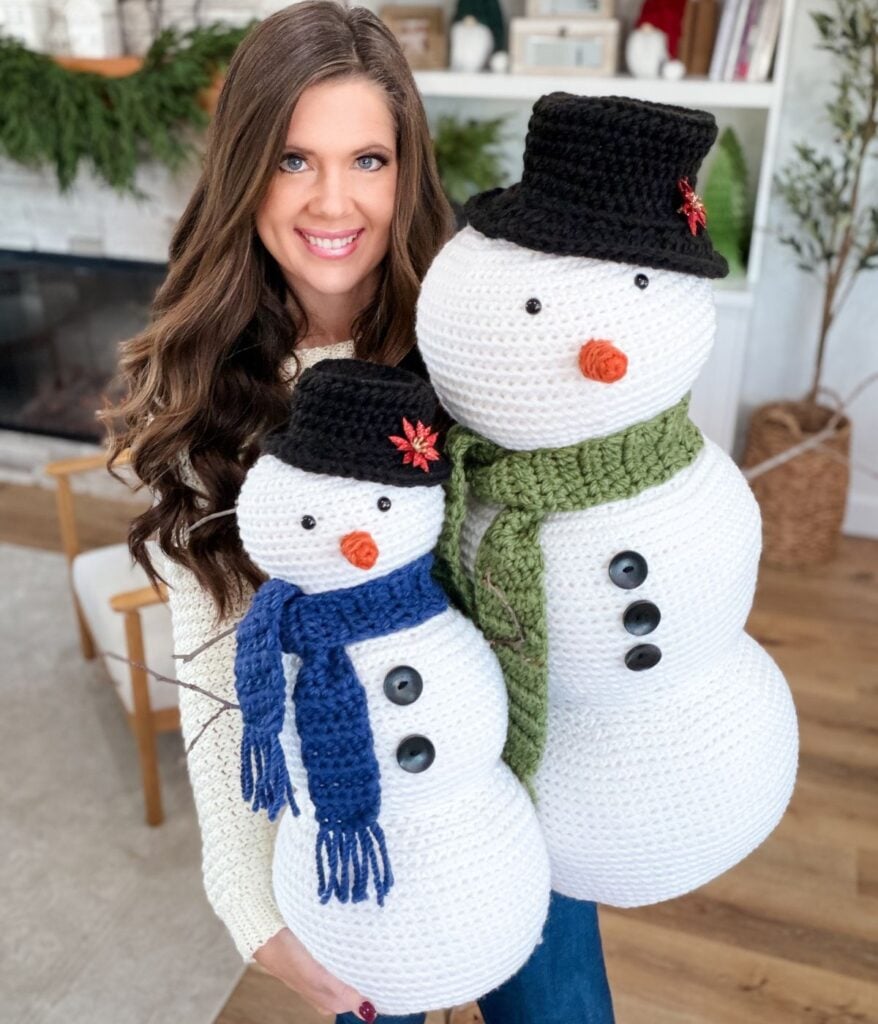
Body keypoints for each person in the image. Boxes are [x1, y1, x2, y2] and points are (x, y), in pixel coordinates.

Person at [105, 3, 616, 1022]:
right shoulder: (204, 388)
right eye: (293, 160)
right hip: (348, 823)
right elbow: (215, 656)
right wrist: (248, 898)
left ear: (406, 171)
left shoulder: (475, 341)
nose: (332, 200)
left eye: (367, 160)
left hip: (508, 788)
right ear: (244, 170)